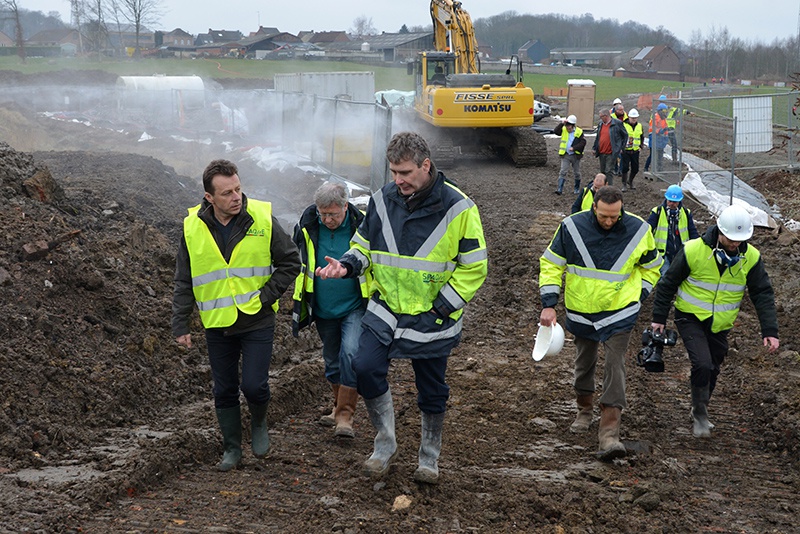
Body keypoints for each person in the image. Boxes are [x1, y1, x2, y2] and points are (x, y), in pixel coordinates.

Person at [316, 131, 488, 483]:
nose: (398, 180)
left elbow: (475, 266)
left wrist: (442, 307)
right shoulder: (381, 200)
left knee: (431, 388)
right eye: (393, 172)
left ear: (426, 166)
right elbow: (363, 246)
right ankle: (385, 444)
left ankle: (429, 457)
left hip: (433, 314)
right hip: (386, 309)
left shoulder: (459, 207)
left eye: (405, 173)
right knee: (363, 366)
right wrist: (346, 265)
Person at [172, 159, 301, 472]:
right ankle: (232, 448)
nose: (236, 197)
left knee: (254, 386)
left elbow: (290, 262)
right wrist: (180, 323)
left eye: (238, 189)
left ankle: (258, 424)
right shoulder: (192, 228)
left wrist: (266, 297)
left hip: (257, 319)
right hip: (218, 324)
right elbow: (184, 279)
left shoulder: (262, 218)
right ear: (209, 198)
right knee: (224, 388)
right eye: (227, 193)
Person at [539, 186, 661, 460]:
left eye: (614, 217)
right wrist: (549, 302)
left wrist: (639, 294)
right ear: (594, 207)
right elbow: (551, 264)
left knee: (614, 365)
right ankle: (584, 410)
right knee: (584, 363)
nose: (609, 221)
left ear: (622, 210)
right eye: (604, 216)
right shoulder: (571, 227)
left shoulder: (639, 231)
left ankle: (609, 433)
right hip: (582, 311)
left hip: (620, 312)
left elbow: (652, 267)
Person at [651, 204, 779, 438]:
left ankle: (701, 403)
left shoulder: (750, 257)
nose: (735, 244)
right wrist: (659, 319)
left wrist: (770, 330)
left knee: (714, 366)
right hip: (689, 316)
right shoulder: (693, 250)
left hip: (721, 323)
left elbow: (762, 293)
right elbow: (668, 283)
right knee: (702, 363)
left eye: (740, 240)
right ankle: (700, 413)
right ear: (719, 231)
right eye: (730, 239)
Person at [292, 181, 369, 438]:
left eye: (333, 214)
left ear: (345, 207)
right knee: (332, 361)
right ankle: (337, 408)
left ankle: (346, 416)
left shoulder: (362, 227)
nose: (328, 220)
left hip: (354, 306)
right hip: (323, 307)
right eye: (323, 214)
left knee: (350, 352)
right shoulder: (307, 226)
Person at [647, 184, 700, 274]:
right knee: (665, 275)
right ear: (666, 199)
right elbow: (648, 231)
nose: (672, 204)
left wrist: (698, 247)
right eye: (670, 201)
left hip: (681, 252)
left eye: (675, 202)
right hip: (663, 254)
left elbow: (692, 231)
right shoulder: (657, 212)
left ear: (680, 201)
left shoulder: (686, 213)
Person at [592, 108, 628, 185]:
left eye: (601, 116)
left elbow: (625, 135)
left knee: (609, 171)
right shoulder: (600, 124)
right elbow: (598, 137)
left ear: (606, 116)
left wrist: (621, 147)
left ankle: (609, 188)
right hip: (601, 151)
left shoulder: (617, 123)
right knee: (603, 171)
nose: (600, 118)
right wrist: (594, 148)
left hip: (611, 152)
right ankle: (602, 186)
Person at [553, 114, 587, 195]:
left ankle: (576, 188)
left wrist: (574, 148)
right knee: (563, 171)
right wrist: (561, 124)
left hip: (576, 156)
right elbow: (556, 132)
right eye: (567, 126)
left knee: (577, 173)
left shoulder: (579, 131)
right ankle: (559, 189)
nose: (568, 128)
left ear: (573, 126)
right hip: (566, 155)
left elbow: (583, 143)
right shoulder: (563, 129)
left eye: (569, 127)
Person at [620, 108, 645, 192]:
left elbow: (641, 136)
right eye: (632, 118)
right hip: (625, 150)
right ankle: (624, 184)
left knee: (635, 168)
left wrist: (641, 145)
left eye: (635, 118)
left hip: (635, 151)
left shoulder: (639, 126)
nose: (634, 120)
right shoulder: (623, 125)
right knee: (625, 168)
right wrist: (620, 147)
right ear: (629, 117)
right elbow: (619, 137)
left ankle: (630, 181)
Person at [644, 104, 669, 173]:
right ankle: (646, 168)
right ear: (660, 111)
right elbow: (654, 129)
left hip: (660, 138)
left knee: (660, 154)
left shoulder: (663, 119)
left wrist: (666, 135)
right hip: (654, 137)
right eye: (664, 111)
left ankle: (660, 169)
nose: (665, 113)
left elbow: (665, 128)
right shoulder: (655, 118)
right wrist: (662, 131)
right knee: (652, 154)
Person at [659, 94, 680, 163]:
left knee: (672, 144)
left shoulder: (671, 110)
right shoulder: (669, 110)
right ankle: (672, 159)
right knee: (673, 144)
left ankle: (672, 159)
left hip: (666, 130)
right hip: (665, 130)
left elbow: (681, 110)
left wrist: (688, 112)